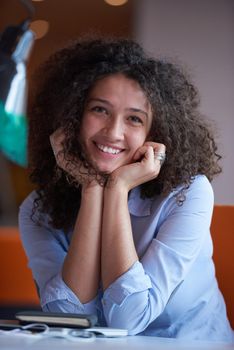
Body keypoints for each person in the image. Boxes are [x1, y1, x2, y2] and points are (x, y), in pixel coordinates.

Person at [19, 36, 233, 342]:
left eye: (134, 118)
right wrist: (94, 188)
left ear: (154, 132)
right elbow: (69, 321)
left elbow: (130, 318)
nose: (114, 132)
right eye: (99, 110)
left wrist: (117, 189)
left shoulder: (189, 193)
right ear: (72, 117)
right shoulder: (39, 209)